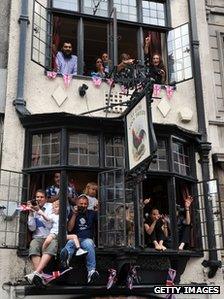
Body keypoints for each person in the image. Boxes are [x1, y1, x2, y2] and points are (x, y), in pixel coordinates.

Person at [60, 194, 99, 284]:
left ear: (87, 204)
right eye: (81, 203)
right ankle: (65, 262)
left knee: (89, 243)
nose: (83, 205)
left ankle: (91, 271)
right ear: (77, 203)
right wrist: (74, 214)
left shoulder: (92, 213)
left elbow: (100, 223)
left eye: (85, 204)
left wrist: (97, 210)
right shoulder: (72, 213)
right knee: (69, 244)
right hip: (75, 239)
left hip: (86, 239)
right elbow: (69, 229)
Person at [25, 190, 57, 286]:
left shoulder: (51, 207)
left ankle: (36, 273)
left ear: (46, 199)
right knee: (33, 244)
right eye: (37, 197)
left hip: (50, 236)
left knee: (53, 244)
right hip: (38, 237)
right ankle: (40, 275)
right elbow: (32, 228)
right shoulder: (34, 209)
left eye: (41, 197)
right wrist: (31, 213)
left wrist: (39, 211)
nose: (39, 199)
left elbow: (50, 224)